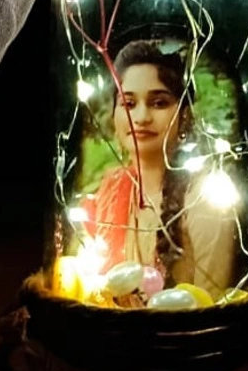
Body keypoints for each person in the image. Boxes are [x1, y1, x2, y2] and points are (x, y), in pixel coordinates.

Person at [80, 40, 238, 299]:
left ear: (184, 116)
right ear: (114, 116)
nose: (141, 117)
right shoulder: (111, 190)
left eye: (159, 103)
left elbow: (210, 307)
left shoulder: (203, 197)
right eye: (129, 104)